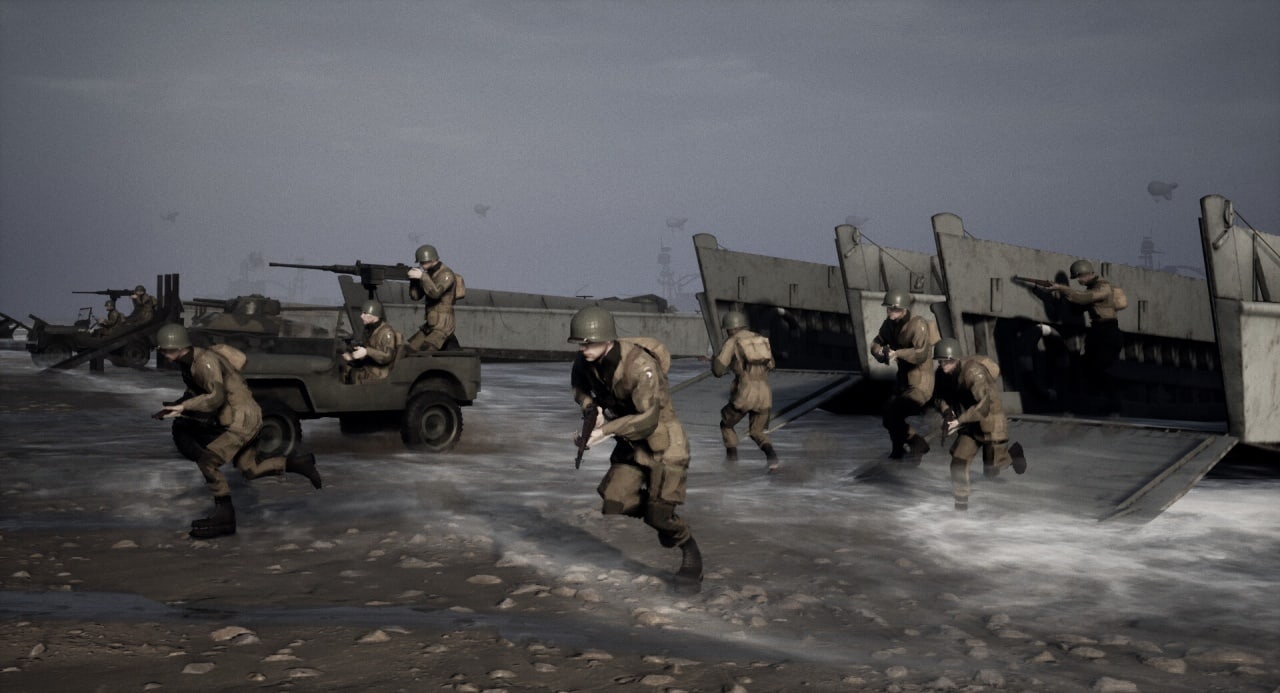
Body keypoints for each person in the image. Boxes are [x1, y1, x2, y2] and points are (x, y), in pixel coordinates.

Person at [568, 306, 703, 593]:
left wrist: (604, 431)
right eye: (580, 343)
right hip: (631, 443)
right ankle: (660, 516)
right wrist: (591, 408)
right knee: (613, 500)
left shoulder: (641, 367)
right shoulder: (585, 361)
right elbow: (578, 385)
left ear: (607, 339)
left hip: (664, 444)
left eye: (589, 343)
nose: (583, 349)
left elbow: (647, 419)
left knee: (659, 515)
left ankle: (688, 547)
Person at [152, 323, 322, 539]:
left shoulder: (204, 362)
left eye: (165, 350)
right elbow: (197, 390)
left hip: (242, 420)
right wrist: (176, 407)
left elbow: (216, 397)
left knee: (207, 461)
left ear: (178, 347)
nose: (163, 354)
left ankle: (225, 518)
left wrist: (184, 407)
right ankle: (298, 463)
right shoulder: (190, 362)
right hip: (244, 416)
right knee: (250, 469)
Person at [932, 337, 1026, 511]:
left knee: (992, 470)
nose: (943, 365)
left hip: (991, 421)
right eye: (940, 361)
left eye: (947, 361)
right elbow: (939, 397)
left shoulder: (974, 372)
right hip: (969, 423)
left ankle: (1014, 455)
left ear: (956, 359)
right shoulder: (942, 375)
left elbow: (983, 406)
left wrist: (958, 421)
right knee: (959, 460)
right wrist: (947, 413)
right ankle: (961, 505)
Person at [869, 289, 938, 460]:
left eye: (894, 309)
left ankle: (916, 443)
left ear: (904, 309)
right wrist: (879, 352)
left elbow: (921, 354)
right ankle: (899, 449)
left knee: (893, 412)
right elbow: (877, 342)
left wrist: (897, 354)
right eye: (889, 308)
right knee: (888, 414)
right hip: (903, 382)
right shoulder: (889, 324)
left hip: (920, 384)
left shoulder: (917, 325)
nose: (890, 312)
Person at [1048, 259, 1124, 412]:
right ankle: (1087, 404)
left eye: (1079, 277)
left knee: (1096, 369)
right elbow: (1077, 308)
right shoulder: (1092, 288)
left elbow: (1082, 298)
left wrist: (1061, 288)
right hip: (1098, 333)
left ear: (1086, 274)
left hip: (1107, 333)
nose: (1079, 281)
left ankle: (1115, 400)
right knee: (1085, 368)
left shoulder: (1103, 287)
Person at [710, 310, 779, 472]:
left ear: (730, 328)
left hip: (745, 393)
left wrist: (715, 360)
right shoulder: (760, 339)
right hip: (765, 394)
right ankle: (773, 460)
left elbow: (718, 371)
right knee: (757, 431)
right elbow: (772, 365)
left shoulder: (732, 341)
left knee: (726, 424)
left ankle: (731, 461)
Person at [405, 244, 459, 351]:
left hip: (443, 323)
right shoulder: (429, 274)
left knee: (426, 350)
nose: (421, 265)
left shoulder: (446, 274)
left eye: (423, 262)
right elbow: (415, 296)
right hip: (431, 322)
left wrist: (422, 277)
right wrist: (414, 281)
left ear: (432, 260)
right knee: (412, 348)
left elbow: (436, 294)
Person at [340, 299, 402, 384]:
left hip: (380, 370)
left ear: (375, 315)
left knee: (356, 374)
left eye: (365, 313)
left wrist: (366, 352)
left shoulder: (386, 332)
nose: (361, 316)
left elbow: (387, 357)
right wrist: (353, 355)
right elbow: (365, 345)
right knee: (345, 367)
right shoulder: (369, 329)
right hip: (370, 364)